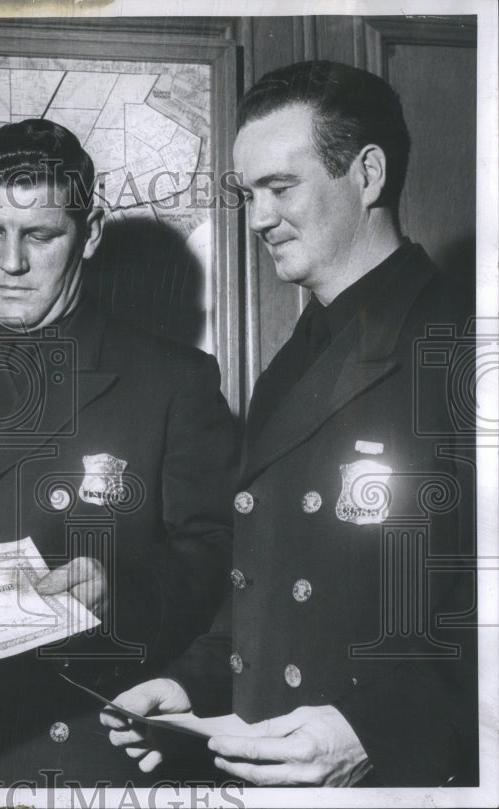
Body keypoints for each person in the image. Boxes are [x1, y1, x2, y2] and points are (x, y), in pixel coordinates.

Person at [103, 61, 477, 787]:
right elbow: (270, 585)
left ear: (367, 174)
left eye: (281, 187)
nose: (260, 218)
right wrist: (193, 685)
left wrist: (377, 728)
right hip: (278, 770)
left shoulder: (462, 344)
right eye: (249, 194)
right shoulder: (293, 363)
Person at [0, 118, 237, 786]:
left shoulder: (173, 381)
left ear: (91, 234)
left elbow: (220, 556)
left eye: (40, 235)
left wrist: (122, 591)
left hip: (88, 751)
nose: (11, 263)